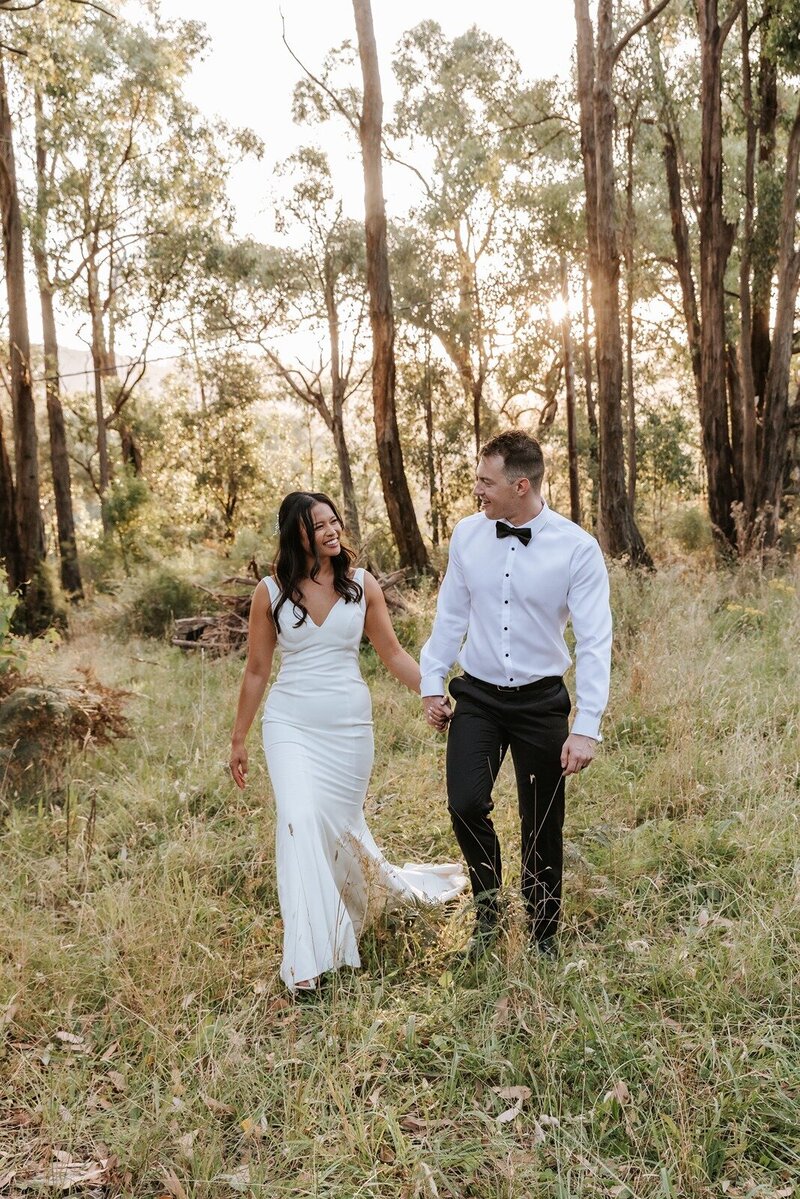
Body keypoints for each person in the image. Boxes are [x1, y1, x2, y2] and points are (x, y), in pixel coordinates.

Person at [230, 491, 465, 994]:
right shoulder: (269, 592)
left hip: (348, 730)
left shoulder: (361, 585)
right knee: (298, 821)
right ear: (297, 532)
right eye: (320, 525)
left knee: (340, 831)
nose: (333, 531)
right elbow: (255, 671)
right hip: (289, 723)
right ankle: (308, 961)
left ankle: (372, 901)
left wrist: (434, 691)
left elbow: (393, 653)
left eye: (335, 521)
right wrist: (239, 739)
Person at [419, 430, 612, 960]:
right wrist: (431, 683)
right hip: (477, 696)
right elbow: (450, 615)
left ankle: (543, 931)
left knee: (541, 823)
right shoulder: (466, 536)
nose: (477, 489)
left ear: (520, 486)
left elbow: (595, 641)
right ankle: (488, 907)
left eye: (486, 481)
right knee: (464, 802)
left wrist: (586, 725)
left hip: (540, 701)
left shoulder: (577, 549)